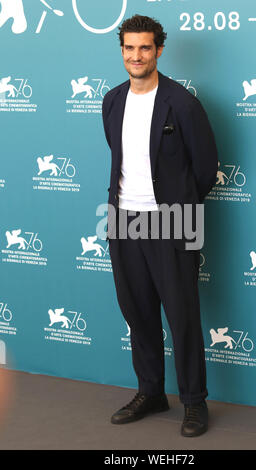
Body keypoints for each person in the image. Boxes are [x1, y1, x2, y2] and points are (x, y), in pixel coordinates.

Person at [102, 14, 218, 437]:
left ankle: (194, 402)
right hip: (123, 222)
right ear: (122, 51)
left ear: (159, 51)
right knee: (138, 313)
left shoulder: (182, 104)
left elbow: (206, 169)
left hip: (171, 222)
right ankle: (151, 391)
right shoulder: (112, 101)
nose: (137, 56)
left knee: (182, 315)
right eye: (129, 48)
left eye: (145, 48)